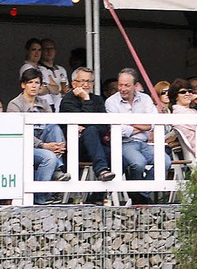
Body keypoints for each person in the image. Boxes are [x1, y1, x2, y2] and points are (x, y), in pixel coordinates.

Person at [105, 68, 171, 204]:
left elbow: (152, 123)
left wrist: (130, 123)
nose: (122, 88)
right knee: (138, 163)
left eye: (127, 85)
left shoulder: (145, 99)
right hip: (124, 143)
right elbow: (119, 129)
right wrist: (141, 125)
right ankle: (139, 196)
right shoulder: (111, 102)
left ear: (135, 86)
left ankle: (140, 194)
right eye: (120, 85)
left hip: (144, 143)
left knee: (165, 161)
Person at [6, 68, 70, 204]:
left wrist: (55, 145)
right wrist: (43, 145)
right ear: (23, 84)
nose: (34, 86)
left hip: (43, 142)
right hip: (24, 145)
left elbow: (51, 125)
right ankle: (41, 197)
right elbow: (19, 133)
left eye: (37, 83)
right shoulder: (14, 105)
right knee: (49, 157)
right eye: (30, 82)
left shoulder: (44, 103)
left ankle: (57, 169)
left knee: (55, 127)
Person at [60, 67, 115, 204]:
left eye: (90, 81)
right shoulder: (67, 101)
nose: (86, 84)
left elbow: (104, 127)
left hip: (97, 147)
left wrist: (87, 125)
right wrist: (85, 99)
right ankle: (101, 169)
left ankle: (96, 197)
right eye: (83, 81)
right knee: (90, 131)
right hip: (76, 148)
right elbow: (87, 121)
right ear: (73, 83)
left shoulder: (98, 100)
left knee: (120, 158)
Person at [167, 78, 197, 156]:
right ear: (176, 96)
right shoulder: (181, 113)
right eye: (183, 92)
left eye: (190, 91)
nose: (187, 94)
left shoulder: (190, 111)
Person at [39, 38, 69, 112]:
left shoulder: (61, 69)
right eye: (46, 49)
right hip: (45, 108)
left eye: (51, 48)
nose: (49, 51)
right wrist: (53, 89)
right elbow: (39, 90)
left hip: (61, 107)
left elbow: (66, 90)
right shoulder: (37, 69)